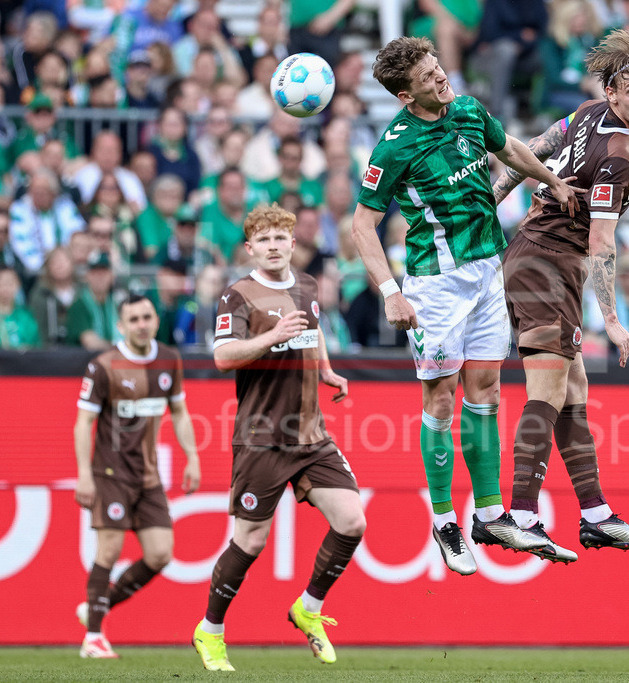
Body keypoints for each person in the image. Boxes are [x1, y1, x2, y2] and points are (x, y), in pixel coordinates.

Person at [351, 36, 580, 575]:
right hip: (435, 287)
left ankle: (491, 513)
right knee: (441, 401)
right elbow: (362, 224)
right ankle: (444, 521)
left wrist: (551, 180)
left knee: (488, 391)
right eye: (429, 77)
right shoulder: (394, 146)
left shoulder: (470, 110)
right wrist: (391, 293)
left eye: (438, 67)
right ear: (406, 97)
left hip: (487, 272)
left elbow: (512, 149)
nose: (441, 79)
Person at [490, 30, 629, 562]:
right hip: (549, 266)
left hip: (534, 256)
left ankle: (594, 514)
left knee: (573, 389)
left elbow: (535, 147)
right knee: (546, 389)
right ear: (612, 94)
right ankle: (519, 514)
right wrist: (611, 317)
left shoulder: (586, 112)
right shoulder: (619, 156)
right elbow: (602, 241)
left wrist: (494, 199)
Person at [192, 204, 365, 671]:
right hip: (261, 437)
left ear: (292, 243)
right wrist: (271, 337)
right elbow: (224, 357)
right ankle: (210, 632)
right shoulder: (237, 296)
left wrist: (326, 369)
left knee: (352, 522)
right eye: (262, 240)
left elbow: (314, 327)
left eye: (279, 239)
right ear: (250, 248)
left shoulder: (306, 286)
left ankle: (308, 608)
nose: (272, 246)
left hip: (310, 433)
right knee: (249, 542)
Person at [73, 293, 201, 658]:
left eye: (147, 317)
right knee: (109, 550)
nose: (142, 324)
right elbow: (84, 422)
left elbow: (179, 412)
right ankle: (93, 638)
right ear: (120, 325)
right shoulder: (104, 366)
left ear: (155, 320)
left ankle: (96, 609)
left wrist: (191, 456)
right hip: (110, 472)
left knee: (160, 554)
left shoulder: (168, 360)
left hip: (148, 475)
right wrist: (85, 474)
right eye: (134, 319)